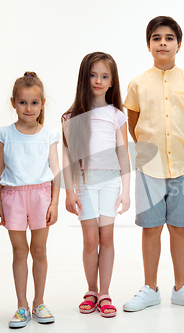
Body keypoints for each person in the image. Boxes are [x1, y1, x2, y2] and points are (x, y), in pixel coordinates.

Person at [123, 15, 184, 312]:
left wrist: (181, 148)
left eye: (169, 38)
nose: (163, 43)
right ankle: (150, 288)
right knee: (150, 228)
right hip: (149, 168)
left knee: (179, 227)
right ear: (148, 45)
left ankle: (181, 287)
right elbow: (133, 125)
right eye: (157, 38)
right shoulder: (137, 84)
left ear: (179, 44)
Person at [62, 52, 130, 318]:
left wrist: (125, 190)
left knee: (107, 238)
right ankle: (91, 291)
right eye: (93, 75)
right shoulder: (70, 117)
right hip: (85, 185)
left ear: (112, 81)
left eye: (104, 76)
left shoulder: (116, 115)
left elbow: (124, 154)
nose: (98, 81)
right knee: (90, 240)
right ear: (84, 78)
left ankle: (105, 293)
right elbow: (67, 158)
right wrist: (69, 192)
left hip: (111, 183)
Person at [0, 72, 60, 328]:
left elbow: (56, 172)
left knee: (39, 250)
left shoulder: (49, 135)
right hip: (13, 197)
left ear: (42, 104)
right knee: (20, 251)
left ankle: (38, 303)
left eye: (34, 103)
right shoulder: (4, 134)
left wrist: (54, 203)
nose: (28, 108)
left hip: (41, 196)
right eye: (23, 102)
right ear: (13, 103)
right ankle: (21, 306)